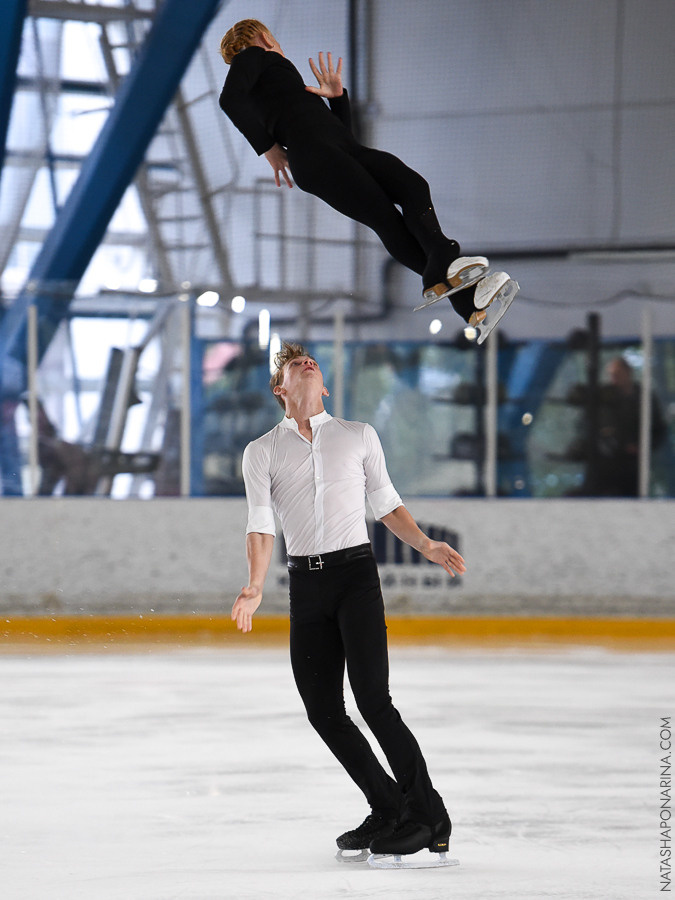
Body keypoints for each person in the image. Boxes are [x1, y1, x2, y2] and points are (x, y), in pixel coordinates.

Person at [232, 341, 466, 861]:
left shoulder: (358, 435)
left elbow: (386, 503)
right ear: (280, 389)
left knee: (373, 701)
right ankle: (388, 806)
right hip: (306, 587)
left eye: (311, 362)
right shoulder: (261, 451)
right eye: (294, 364)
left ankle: (429, 814)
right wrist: (254, 584)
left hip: (356, 578)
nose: (306, 363)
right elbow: (260, 524)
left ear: (326, 387)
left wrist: (425, 544)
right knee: (323, 711)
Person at [219, 19, 518, 339]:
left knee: (412, 187)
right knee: (387, 219)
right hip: (317, 157)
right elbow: (229, 99)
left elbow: (341, 133)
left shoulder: (272, 85)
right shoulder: (254, 55)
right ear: (265, 37)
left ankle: (469, 305)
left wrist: (337, 99)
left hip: (339, 149)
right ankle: (444, 258)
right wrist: (268, 148)